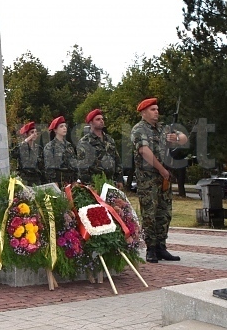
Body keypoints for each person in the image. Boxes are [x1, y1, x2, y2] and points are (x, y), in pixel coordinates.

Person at [131, 97, 188, 263]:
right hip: (148, 180)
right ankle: (151, 249)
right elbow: (144, 151)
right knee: (149, 214)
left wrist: (176, 139)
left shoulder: (163, 128)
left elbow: (184, 138)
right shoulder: (139, 129)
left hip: (164, 179)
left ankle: (162, 247)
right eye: (152, 109)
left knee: (164, 213)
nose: (156, 112)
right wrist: (162, 170)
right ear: (143, 112)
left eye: (157, 109)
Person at [76, 109, 123, 188]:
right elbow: (82, 166)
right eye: (98, 119)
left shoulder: (109, 139)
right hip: (95, 183)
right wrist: (87, 184)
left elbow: (117, 160)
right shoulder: (85, 142)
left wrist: (119, 179)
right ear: (91, 123)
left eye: (102, 119)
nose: (101, 121)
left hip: (111, 182)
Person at [43, 116, 77, 187]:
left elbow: (74, 164)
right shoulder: (50, 146)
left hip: (71, 183)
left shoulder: (69, 145)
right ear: (55, 130)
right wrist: (54, 184)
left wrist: (75, 181)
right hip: (59, 183)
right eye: (61, 126)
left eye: (65, 126)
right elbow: (49, 168)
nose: (65, 128)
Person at [13, 121, 44, 186]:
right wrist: (25, 141)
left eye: (36, 132)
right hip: (24, 178)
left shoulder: (39, 148)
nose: (34, 134)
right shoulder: (22, 147)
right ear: (26, 134)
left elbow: (42, 165)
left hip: (36, 179)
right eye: (32, 132)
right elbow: (13, 154)